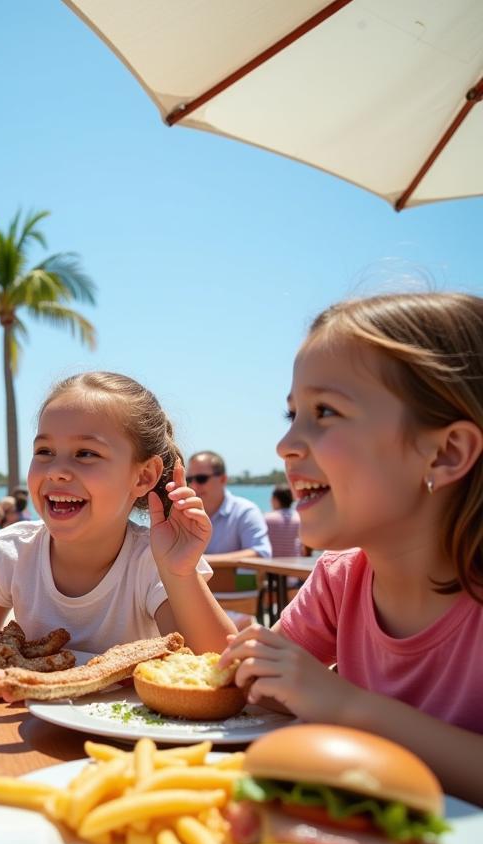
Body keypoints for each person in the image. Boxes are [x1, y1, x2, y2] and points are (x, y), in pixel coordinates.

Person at [221, 293, 483, 803]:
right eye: (292, 413)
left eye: (325, 411)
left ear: (446, 453)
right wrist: (249, 659)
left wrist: (346, 707)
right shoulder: (340, 581)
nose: (285, 444)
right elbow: (263, 695)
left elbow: (324, 699)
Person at [0, 372, 234, 655]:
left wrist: (178, 573)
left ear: (143, 477)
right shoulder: (11, 552)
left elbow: (220, 665)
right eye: (44, 451)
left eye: (85, 453)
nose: (56, 471)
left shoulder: (150, 563)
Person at [185, 451, 271, 561]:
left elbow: (261, 553)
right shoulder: (183, 514)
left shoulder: (245, 511)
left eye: (201, 478)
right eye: (189, 480)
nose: (193, 485)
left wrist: (201, 562)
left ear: (223, 479)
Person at [264, 484, 302, 557]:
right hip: (295, 563)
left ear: (275, 500)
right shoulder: (299, 518)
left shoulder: (267, 518)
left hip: (270, 565)